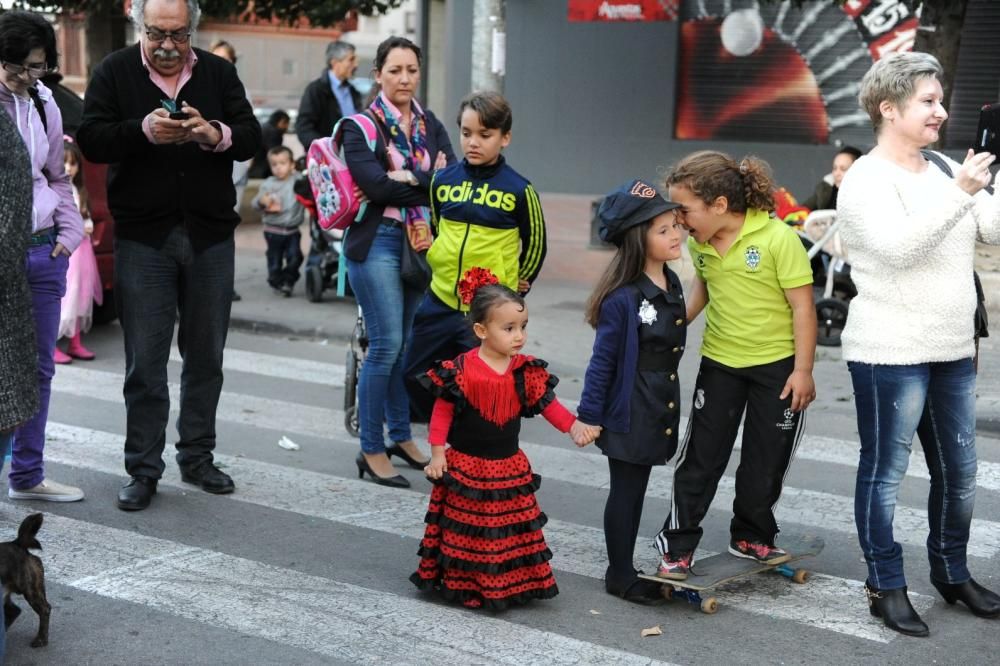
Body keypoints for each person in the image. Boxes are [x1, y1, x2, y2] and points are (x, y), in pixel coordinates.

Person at [837, 52, 1000, 637]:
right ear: (889, 108)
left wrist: (992, 179)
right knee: (885, 475)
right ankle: (885, 584)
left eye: (940, 100)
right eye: (928, 101)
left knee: (960, 473)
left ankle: (951, 574)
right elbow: (899, 248)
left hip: (953, 348)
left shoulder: (939, 166)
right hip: (890, 353)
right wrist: (960, 191)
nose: (941, 111)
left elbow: (992, 229)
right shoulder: (865, 178)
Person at [77, 0, 261, 511]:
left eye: (178, 35)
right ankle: (143, 468)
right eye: (157, 33)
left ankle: (197, 457)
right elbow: (92, 138)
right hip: (144, 239)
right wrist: (143, 131)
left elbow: (251, 138)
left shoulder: (219, 73)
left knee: (206, 357)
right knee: (146, 364)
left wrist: (212, 134)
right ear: (141, 27)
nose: (166, 45)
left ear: (192, 32)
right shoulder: (114, 70)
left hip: (209, 236)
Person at [653, 151, 816, 579]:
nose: (680, 219)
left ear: (719, 205)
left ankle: (751, 535)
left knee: (766, 459)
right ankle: (677, 544)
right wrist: (678, 322)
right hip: (720, 364)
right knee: (702, 458)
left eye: (685, 209)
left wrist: (803, 370)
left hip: (777, 370)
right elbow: (704, 288)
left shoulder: (779, 239)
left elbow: (803, 309)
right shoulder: (698, 242)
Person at [411, 279, 587, 609]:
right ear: (481, 330)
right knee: (471, 530)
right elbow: (441, 414)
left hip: (508, 466)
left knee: (505, 531)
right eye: (508, 328)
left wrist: (574, 427)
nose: (519, 335)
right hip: (467, 466)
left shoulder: (525, 371)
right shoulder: (460, 370)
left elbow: (548, 405)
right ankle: (470, 585)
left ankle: (509, 584)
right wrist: (437, 454)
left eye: (522, 326)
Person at [342, 36, 454, 488]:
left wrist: (408, 178)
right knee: (386, 346)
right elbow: (375, 186)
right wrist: (421, 182)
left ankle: (400, 437)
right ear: (379, 74)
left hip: (421, 242)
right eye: (395, 70)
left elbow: (449, 181)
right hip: (378, 243)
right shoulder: (359, 127)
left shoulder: (431, 124)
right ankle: (371, 448)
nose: (404, 78)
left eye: (411, 69)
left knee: (404, 350)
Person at [403, 91, 547, 422]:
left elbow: (536, 244)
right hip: (439, 299)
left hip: (487, 310)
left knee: (482, 390)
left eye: (485, 135)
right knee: (413, 372)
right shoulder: (443, 180)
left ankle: (470, 448)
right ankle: (438, 428)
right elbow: (438, 228)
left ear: (505, 137)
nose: (473, 142)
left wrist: (514, 292)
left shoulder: (519, 190)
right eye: (467, 134)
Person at [575, 180, 686, 604]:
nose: (675, 234)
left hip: (658, 402)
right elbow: (602, 362)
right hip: (629, 405)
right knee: (627, 488)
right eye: (662, 229)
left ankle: (622, 567)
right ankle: (619, 573)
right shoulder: (622, 299)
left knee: (636, 486)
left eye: (674, 224)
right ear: (638, 240)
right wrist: (588, 416)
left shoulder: (671, 282)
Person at [0, 10, 86, 503]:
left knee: (38, 371)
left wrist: (68, 231)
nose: (25, 78)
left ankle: (27, 476)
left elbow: (56, 174)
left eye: (36, 67)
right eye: (16, 68)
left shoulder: (43, 101)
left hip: (43, 251)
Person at [54, 137, 103, 364]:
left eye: (72, 164)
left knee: (80, 296)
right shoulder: (55, 191)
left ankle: (75, 342)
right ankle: (51, 344)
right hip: (67, 254)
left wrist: (88, 224)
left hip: (82, 255)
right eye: (64, 163)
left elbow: (83, 215)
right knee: (64, 297)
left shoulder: (78, 190)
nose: (68, 168)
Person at [210, 38, 248, 302]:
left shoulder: (236, 90)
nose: (222, 63)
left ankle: (225, 283)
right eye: (217, 57)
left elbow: (248, 131)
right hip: (210, 171)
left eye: (227, 59)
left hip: (236, 170)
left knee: (226, 228)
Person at [252, 145, 305, 296]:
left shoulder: (298, 181)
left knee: (295, 257)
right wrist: (262, 201)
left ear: (292, 164)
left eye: (282, 163)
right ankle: (277, 282)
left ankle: (288, 281)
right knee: (274, 260)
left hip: (293, 230)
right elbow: (255, 203)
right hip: (272, 231)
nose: (278, 168)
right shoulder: (268, 183)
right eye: (274, 164)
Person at [296, 40, 361, 151]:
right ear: (335, 63)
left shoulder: (353, 91)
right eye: (351, 60)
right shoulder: (316, 90)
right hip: (327, 161)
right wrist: (325, 150)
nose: (356, 65)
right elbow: (304, 128)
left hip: (353, 156)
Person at [801, 145, 863, 211]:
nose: (837, 173)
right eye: (835, 168)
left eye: (843, 169)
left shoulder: (864, 196)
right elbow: (802, 210)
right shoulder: (825, 188)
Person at [249, 109, 290, 179]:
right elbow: (275, 153)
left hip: (255, 169)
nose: (287, 127)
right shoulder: (274, 133)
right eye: (286, 124)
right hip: (263, 171)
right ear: (281, 121)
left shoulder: (264, 127)